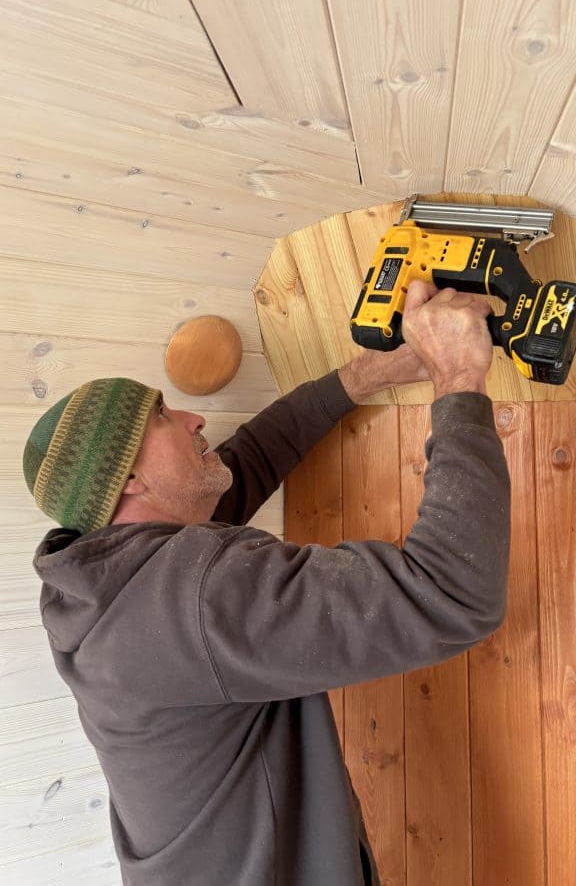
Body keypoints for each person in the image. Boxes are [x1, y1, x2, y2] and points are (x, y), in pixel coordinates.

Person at [23, 281, 511, 886]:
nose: (195, 417)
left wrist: (370, 375)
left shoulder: (101, 582)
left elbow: (244, 462)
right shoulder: (194, 599)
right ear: (128, 481)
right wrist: (459, 379)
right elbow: (451, 590)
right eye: (163, 417)